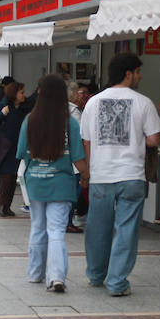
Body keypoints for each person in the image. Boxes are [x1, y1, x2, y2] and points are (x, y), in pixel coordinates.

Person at [81, 53, 160, 297]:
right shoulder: (143, 102)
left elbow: (86, 141)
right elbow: (153, 139)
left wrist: (88, 171)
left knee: (97, 228)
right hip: (131, 176)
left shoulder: (93, 102)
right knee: (126, 229)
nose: (139, 76)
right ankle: (117, 282)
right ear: (128, 73)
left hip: (101, 175)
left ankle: (96, 275)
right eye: (138, 72)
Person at [17, 74, 87, 292]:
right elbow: (77, 158)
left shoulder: (30, 120)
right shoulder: (70, 124)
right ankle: (56, 277)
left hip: (36, 182)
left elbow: (22, 154)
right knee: (56, 230)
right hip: (62, 183)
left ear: (42, 93)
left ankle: (35, 273)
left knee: (38, 227)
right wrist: (86, 176)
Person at [0, 80, 32, 216]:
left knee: (13, 177)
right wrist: (2, 114)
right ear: (14, 93)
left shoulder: (24, 107)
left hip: (19, 146)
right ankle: (2, 206)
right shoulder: (5, 105)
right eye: (21, 92)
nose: (24, 95)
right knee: (7, 176)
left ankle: (7, 206)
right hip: (6, 146)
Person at [67, 80, 95, 231]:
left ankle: (68, 221)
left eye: (86, 93)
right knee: (74, 192)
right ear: (73, 94)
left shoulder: (72, 110)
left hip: (71, 159)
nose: (85, 96)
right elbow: (82, 136)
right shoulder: (74, 112)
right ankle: (68, 222)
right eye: (81, 93)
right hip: (76, 159)